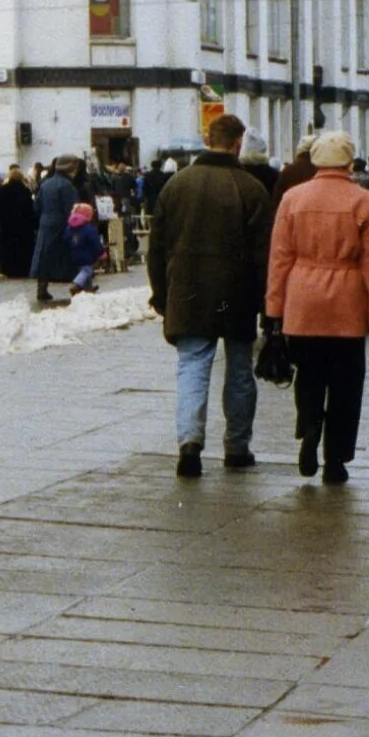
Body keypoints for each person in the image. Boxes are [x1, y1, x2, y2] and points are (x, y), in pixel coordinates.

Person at [148, 114, 273, 477]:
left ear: (207, 139)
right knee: (238, 370)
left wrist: (160, 292)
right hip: (236, 292)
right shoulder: (250, 188)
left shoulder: (177, 184)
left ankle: (189, 442)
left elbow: (158, 245)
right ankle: (237, 447)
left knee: (192, 366)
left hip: (187, 290)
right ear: (237, 144)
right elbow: (264, 253)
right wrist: (268, 302)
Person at [265, 132, 369, 482]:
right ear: (349, 161)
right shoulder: (367, 203)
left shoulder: (292, 199)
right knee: (347, 383)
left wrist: (275, 306)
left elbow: (279, 258)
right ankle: (336, 459)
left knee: (309, 373)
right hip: (347, 300)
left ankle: (309, 426)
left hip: (302, 298)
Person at [32, 155, 83, 305]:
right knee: (70, 255)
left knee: (44, 257)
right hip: (62, 224)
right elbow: (72, 208)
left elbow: (36, 206)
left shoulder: (46, 183)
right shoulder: (67, 185)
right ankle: (78, 286)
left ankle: (42, 288)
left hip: (45, 223)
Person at [0, 165, 37, 279]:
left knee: (8, 247)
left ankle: (8, 269)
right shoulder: (25, 191)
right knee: (23, 248)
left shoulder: (1, 191)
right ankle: (22, 269)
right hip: (23, 226)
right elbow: (30, 209)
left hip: (6, 225)